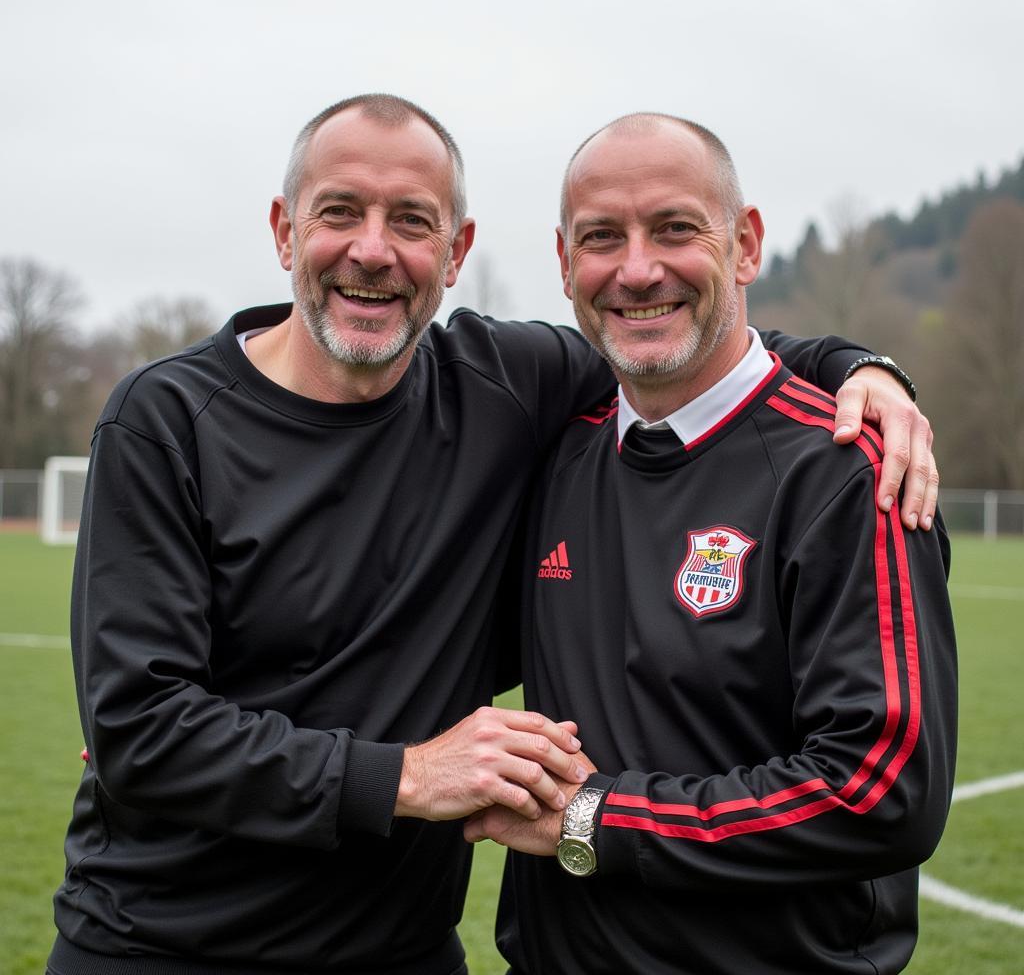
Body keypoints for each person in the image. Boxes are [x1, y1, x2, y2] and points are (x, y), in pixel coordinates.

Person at [49, 94, 938, 975]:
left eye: (411, 220)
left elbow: (696, 342)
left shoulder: (510, 389)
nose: (372, 249)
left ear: (455, 250)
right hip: (160, 947)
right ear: (284, 232)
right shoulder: (165, 419)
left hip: (399, 952)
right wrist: (407, 778)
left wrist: (860, 369)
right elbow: (139, 727)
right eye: (339, 213)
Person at [464, 113, 958, 974]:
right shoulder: (553, 451)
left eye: (676, 229)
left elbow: (880, 793)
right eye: (602, 238)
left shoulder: (844, 471)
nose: (638, 269)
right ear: (564, 262)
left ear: (745, 244)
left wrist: (598, 819)